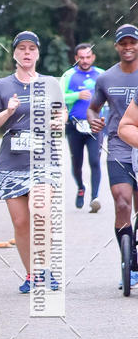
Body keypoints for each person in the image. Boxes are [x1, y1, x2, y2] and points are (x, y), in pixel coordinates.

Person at [0, 30, 64, 293]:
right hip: (12, 162)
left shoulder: (51, 83)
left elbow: (61, 112)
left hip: (44, 159)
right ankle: (32, 274)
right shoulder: (2, 86)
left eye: (32, 49)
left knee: (39, 212)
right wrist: (7, 111)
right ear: (14, 54)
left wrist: (58, 121)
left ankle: (46, 269)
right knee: (20, 222)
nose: (27, 53)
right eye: (22, 49)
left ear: (38, 53)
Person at [87, 24, 138, 288]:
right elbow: (93, 108)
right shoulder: (106, 78)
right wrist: (94, 120)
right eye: (123, 43)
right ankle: (130, 263)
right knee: (121, 204)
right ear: (116, 46)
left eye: (133, 42)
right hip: (118, 148)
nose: (128, 47)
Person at [60, 43, 104, 212]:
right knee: (77, 164)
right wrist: (76, 95)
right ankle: (80, 187)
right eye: (81, 58)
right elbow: (59, 97)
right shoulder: (69, 75)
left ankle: (95, 197)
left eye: (88, 57)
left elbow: (111, 95)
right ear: (76, 58)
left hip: (95, 126)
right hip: (74, 126)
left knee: (94, 160)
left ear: (93, 57)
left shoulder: (101, 75)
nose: (85, 61)